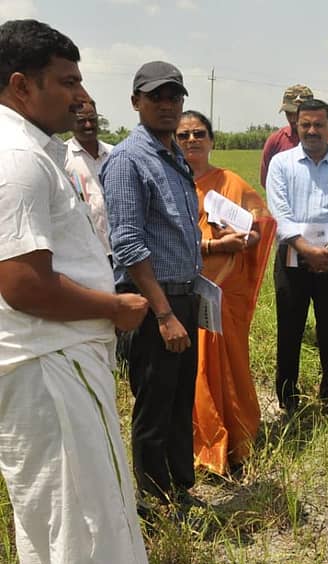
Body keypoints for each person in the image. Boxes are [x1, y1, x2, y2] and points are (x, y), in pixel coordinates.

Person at [0, 19, 151, 564]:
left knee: (57, 515)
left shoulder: (31, 150)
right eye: (66, 82)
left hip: (47, 360)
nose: (80, 96)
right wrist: (113, 306)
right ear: (22, 85)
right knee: (83, 514)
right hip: (50, 364)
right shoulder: (17, 158)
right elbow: (23, 283)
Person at [102, 60, 203, 505]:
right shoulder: (129, 160)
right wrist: (163, 314)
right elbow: (127, 243)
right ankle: (153, 500)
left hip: (183, 299)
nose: (166, 105)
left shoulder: (174, 154)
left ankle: (181, 487)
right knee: (154, 407)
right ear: (135, 102)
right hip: (153, 304)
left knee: (181, 400)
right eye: (155, 97)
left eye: (174, 97)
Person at [175, 110, 277, 475]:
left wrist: (244, 239)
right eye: (183, 135)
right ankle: (201, 443)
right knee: (194, 367)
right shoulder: (170, 184)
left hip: (224, 291)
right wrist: (210, 246)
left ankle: (238, 438)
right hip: (182, 289)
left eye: (198, 133)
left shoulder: (229, 181)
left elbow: (259, 225)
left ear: (212, 140)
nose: (191, 140)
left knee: (231, 363)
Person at [267, 99, 328, 413]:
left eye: (318, 124)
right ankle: (288, 398)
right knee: (289, 328)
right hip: (292, 257)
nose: (311, 130)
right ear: (296, 126)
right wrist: (305, 249)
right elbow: (279, 212)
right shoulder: (282, 163)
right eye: (305, 124)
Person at [259, 84, 328, 187]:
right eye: (289, 113)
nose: (293, 119)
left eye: (297, 113)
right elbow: (267, 182)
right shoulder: (275, 141)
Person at [65, 98, 114, 257]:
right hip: (85, 251)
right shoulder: (62, 157)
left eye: (92, 119)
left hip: (119, 250)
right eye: (81, 120)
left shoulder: (115, 154)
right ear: (71, 121)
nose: (88, 125)